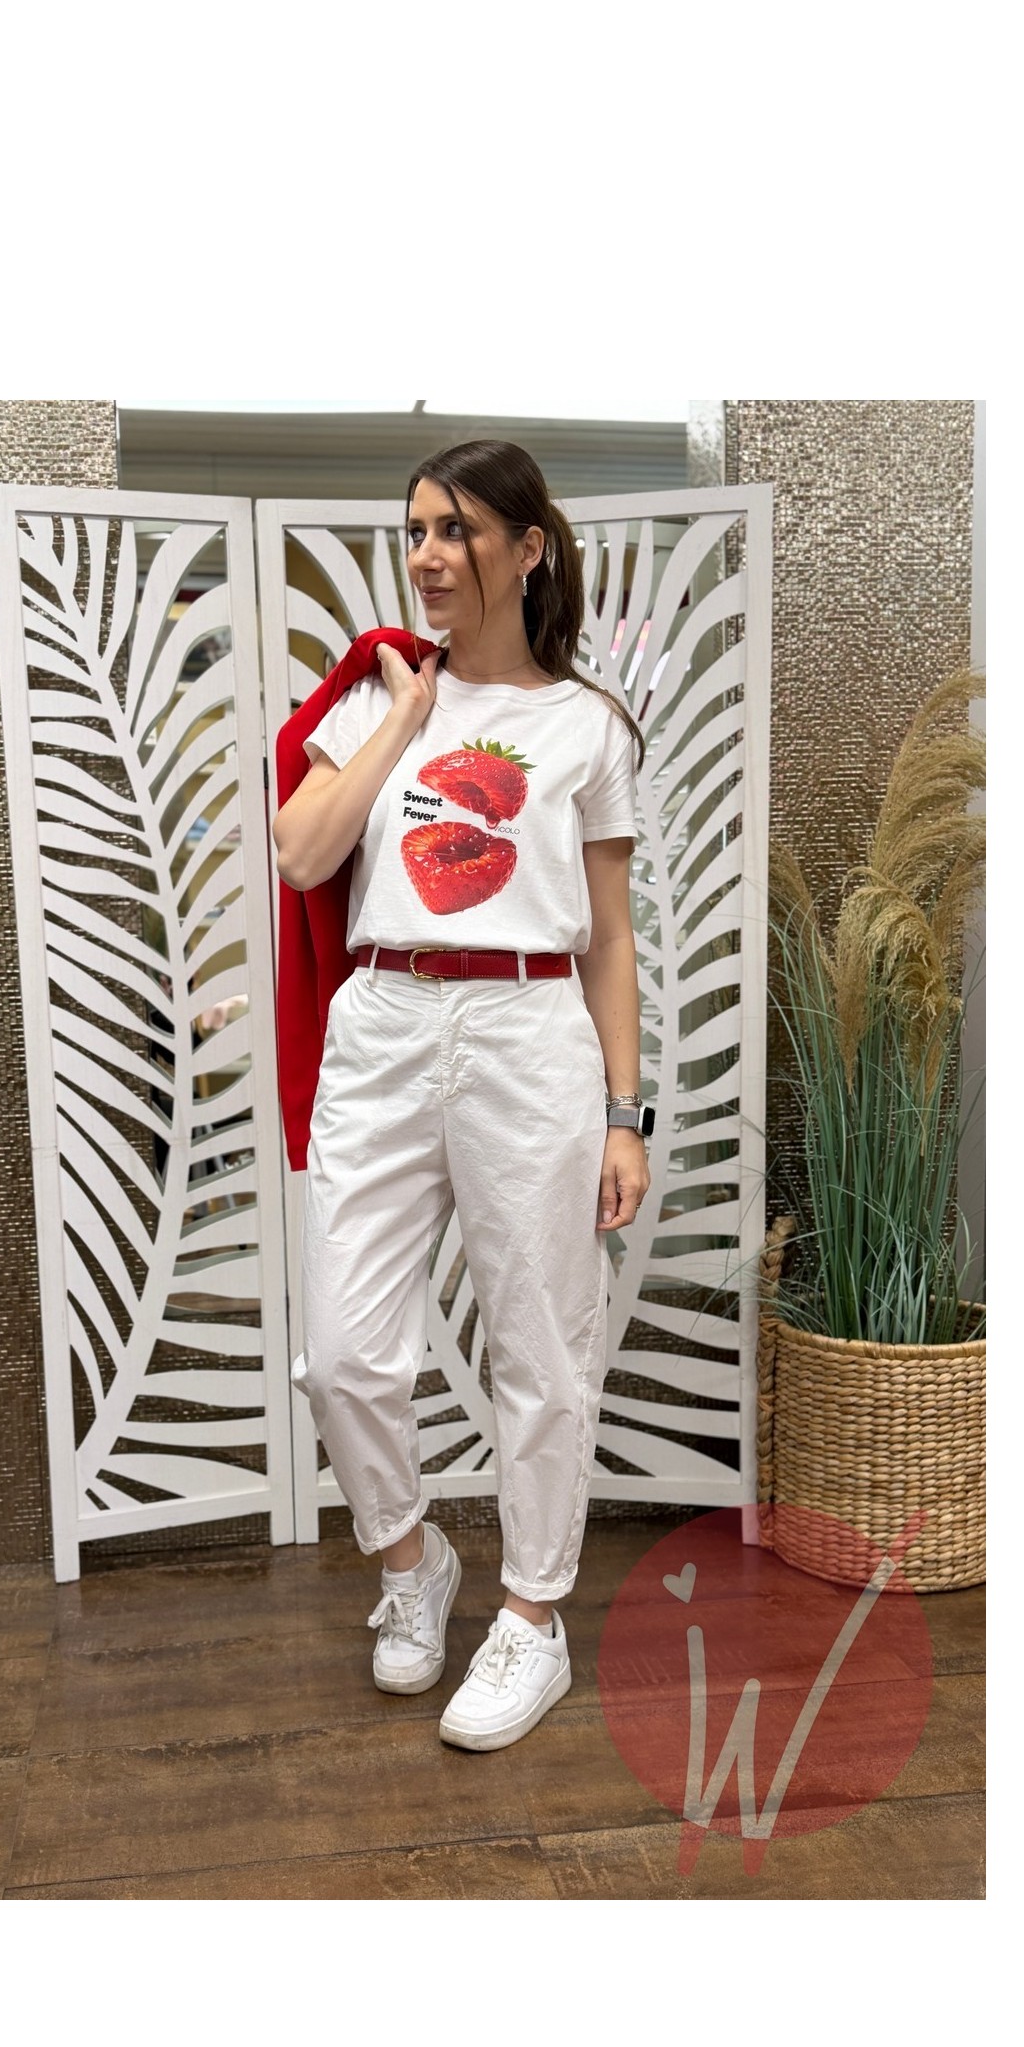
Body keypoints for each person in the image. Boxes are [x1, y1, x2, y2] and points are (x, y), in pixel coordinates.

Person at [269, 440, 653, 1749]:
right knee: (342, 1356)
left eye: (458, 530)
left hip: (529, 1031)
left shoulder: (587, 727)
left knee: (539, 1347)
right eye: (418, 529)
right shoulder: (374, 698)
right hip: (383, 1020)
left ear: (528, 547)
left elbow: (610, 937)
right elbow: (301, 849)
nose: (428, 555)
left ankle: (533, 1619)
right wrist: (403, 719)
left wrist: (624, 1114)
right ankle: (411, 1560)